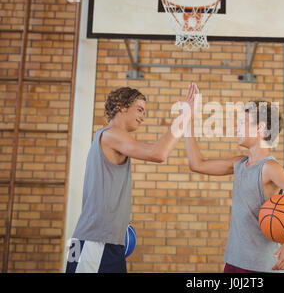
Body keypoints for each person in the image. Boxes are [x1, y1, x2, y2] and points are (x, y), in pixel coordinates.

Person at [65, 83, 196, 273]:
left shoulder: (108, 137)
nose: (143, 116)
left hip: (105, 242)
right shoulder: (111, 135)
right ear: (122, 106)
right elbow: (158, 153)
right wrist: (185, 116)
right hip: (94, 243)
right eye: (139, 109)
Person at [185, 90, 284, 272]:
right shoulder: (239, 163)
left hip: (259, 266)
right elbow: (196, 164)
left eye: (243, 123)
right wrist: (188, 119)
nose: (237, 127)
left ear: (260, 128)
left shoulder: (269, 168)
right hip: (234, 261)